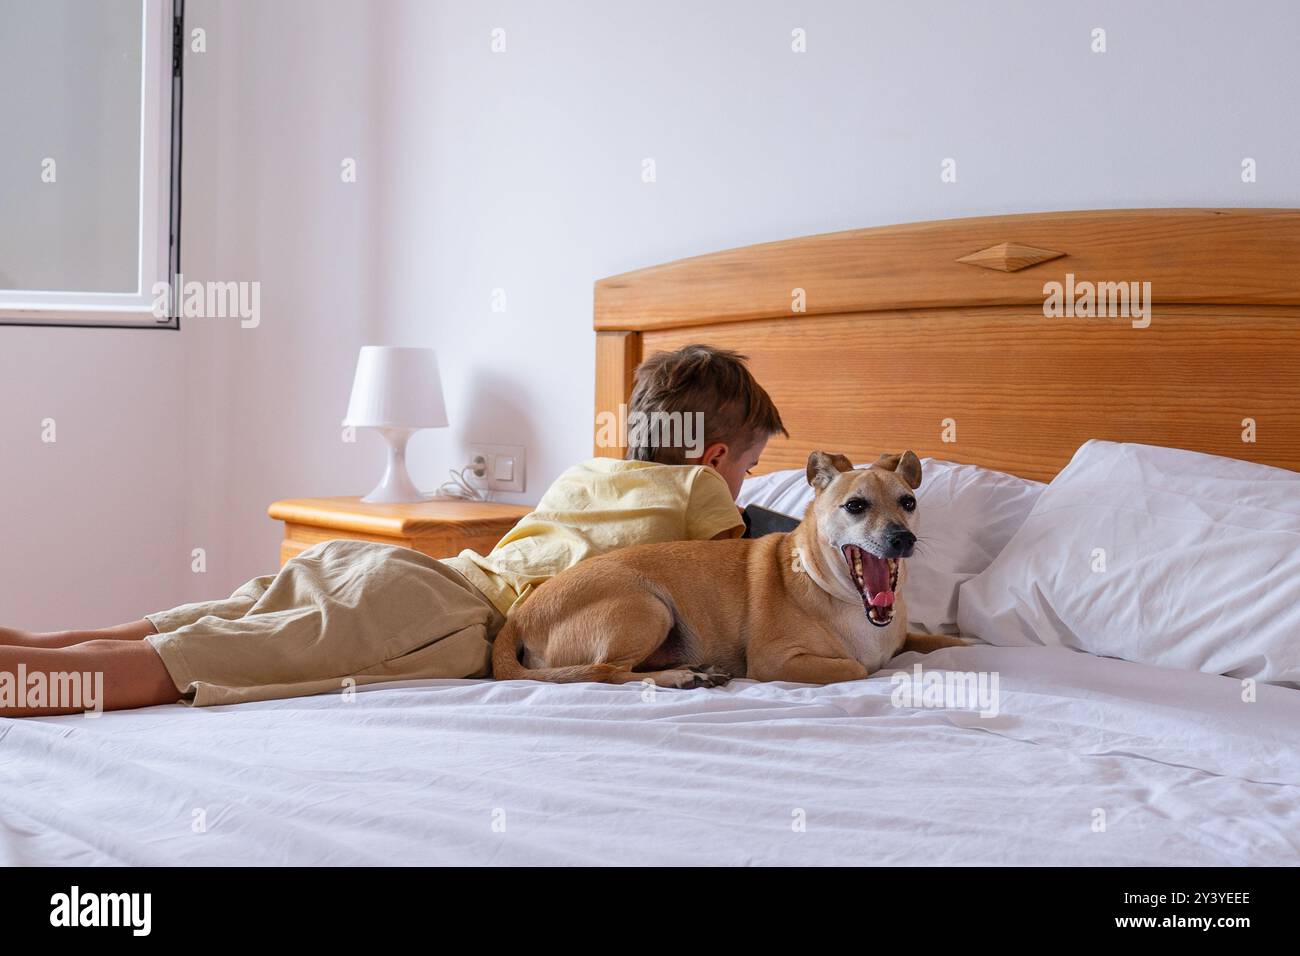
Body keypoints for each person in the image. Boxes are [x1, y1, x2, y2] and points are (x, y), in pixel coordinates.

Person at [0, 345, 786, 716]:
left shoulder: (586, 471)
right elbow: (744, 595)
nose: (742, 488)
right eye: (747, 471)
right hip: (445, 617)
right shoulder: (700, 491)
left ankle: (37, 641)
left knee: (199, 619)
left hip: (398, 567)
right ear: (718, 456)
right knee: (188, 661)